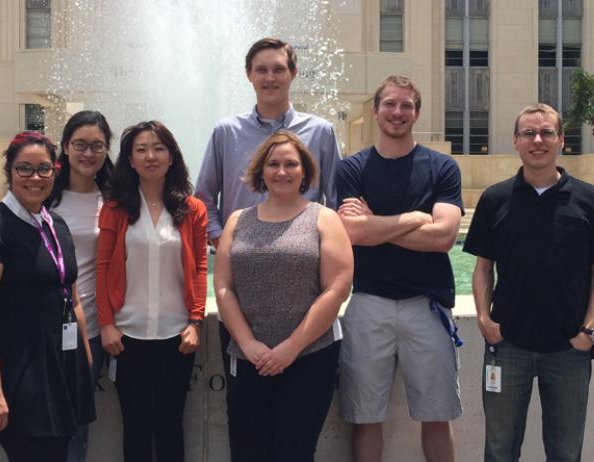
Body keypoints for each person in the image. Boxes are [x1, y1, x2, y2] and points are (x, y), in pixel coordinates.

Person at [195, 37, 342, 446]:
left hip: (305, 298)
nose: (270, 77)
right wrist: (225, 243)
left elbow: (337, 197)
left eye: (279, 69)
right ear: (249, 75)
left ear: (292, 73)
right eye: (261, 69)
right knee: (247, 436)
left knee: (295, 443)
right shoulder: (226, 132)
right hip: (245, 301)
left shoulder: (321, 132)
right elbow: (204, 197)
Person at [0, 132, 95, 462]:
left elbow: (72, 296)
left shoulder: (56, 225)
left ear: (56, 171)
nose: (35, 178)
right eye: (24, 168)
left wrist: (83, 360)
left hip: (59, 366)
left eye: (43, 169)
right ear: (9, 171)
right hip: (20, 371)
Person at [336, 75, 463, 462]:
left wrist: (378, 224)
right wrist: (412, 217)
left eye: (406, 105)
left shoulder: (442, 167)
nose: (397, 112)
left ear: (417, 113)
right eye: (390, 104)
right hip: (369, 302)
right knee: (364, 416)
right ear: (375, 111)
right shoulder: (352, 168)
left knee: (437, 415)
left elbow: (443, 237)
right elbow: (351, 233)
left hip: (428, 304)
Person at [463, 103, 594, 462]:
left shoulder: (588, 200)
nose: (538, 140)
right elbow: (482, 267)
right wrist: (484, 320)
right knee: (500, 449)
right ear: (516, 141)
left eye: (546, 133)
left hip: (569, 350)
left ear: (561, 140)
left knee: (566, 452)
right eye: (529, 133)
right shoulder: (495, 199)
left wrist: (588, 331)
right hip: (508, 346)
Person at [214, 130, 353, 461]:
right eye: (273, 164)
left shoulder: (324, 218)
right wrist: (249, 344)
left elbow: (338, 288)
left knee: (295, 450)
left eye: (291, 164)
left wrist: (291, 348)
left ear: (304, 171)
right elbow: (223, 287)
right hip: (248, 357)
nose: (281, 171)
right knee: (247, 450)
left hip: (309, 355)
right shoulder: (238, 220)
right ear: (261, 171)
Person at [96, 120, 207, 462]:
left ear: (172, 157)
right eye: (141, 149)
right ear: (129, 160)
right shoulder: (116, 210)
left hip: (176, 335)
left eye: (159, 148)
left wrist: (196, 321)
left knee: (171, 424)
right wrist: (106, 323)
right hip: (128, 335)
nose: (150, 156)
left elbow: (200, 267)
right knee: (136, 425)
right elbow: (102, 268)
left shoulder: (191, 210)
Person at [45, 110, 114, 462]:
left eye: (97, 146)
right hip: (44, 325)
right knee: (43, 415)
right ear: (66, 148)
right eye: (81, 145)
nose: (89, 153)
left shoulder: (115, 198)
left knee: (77, 421)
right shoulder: (45, 196)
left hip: (94, 328)